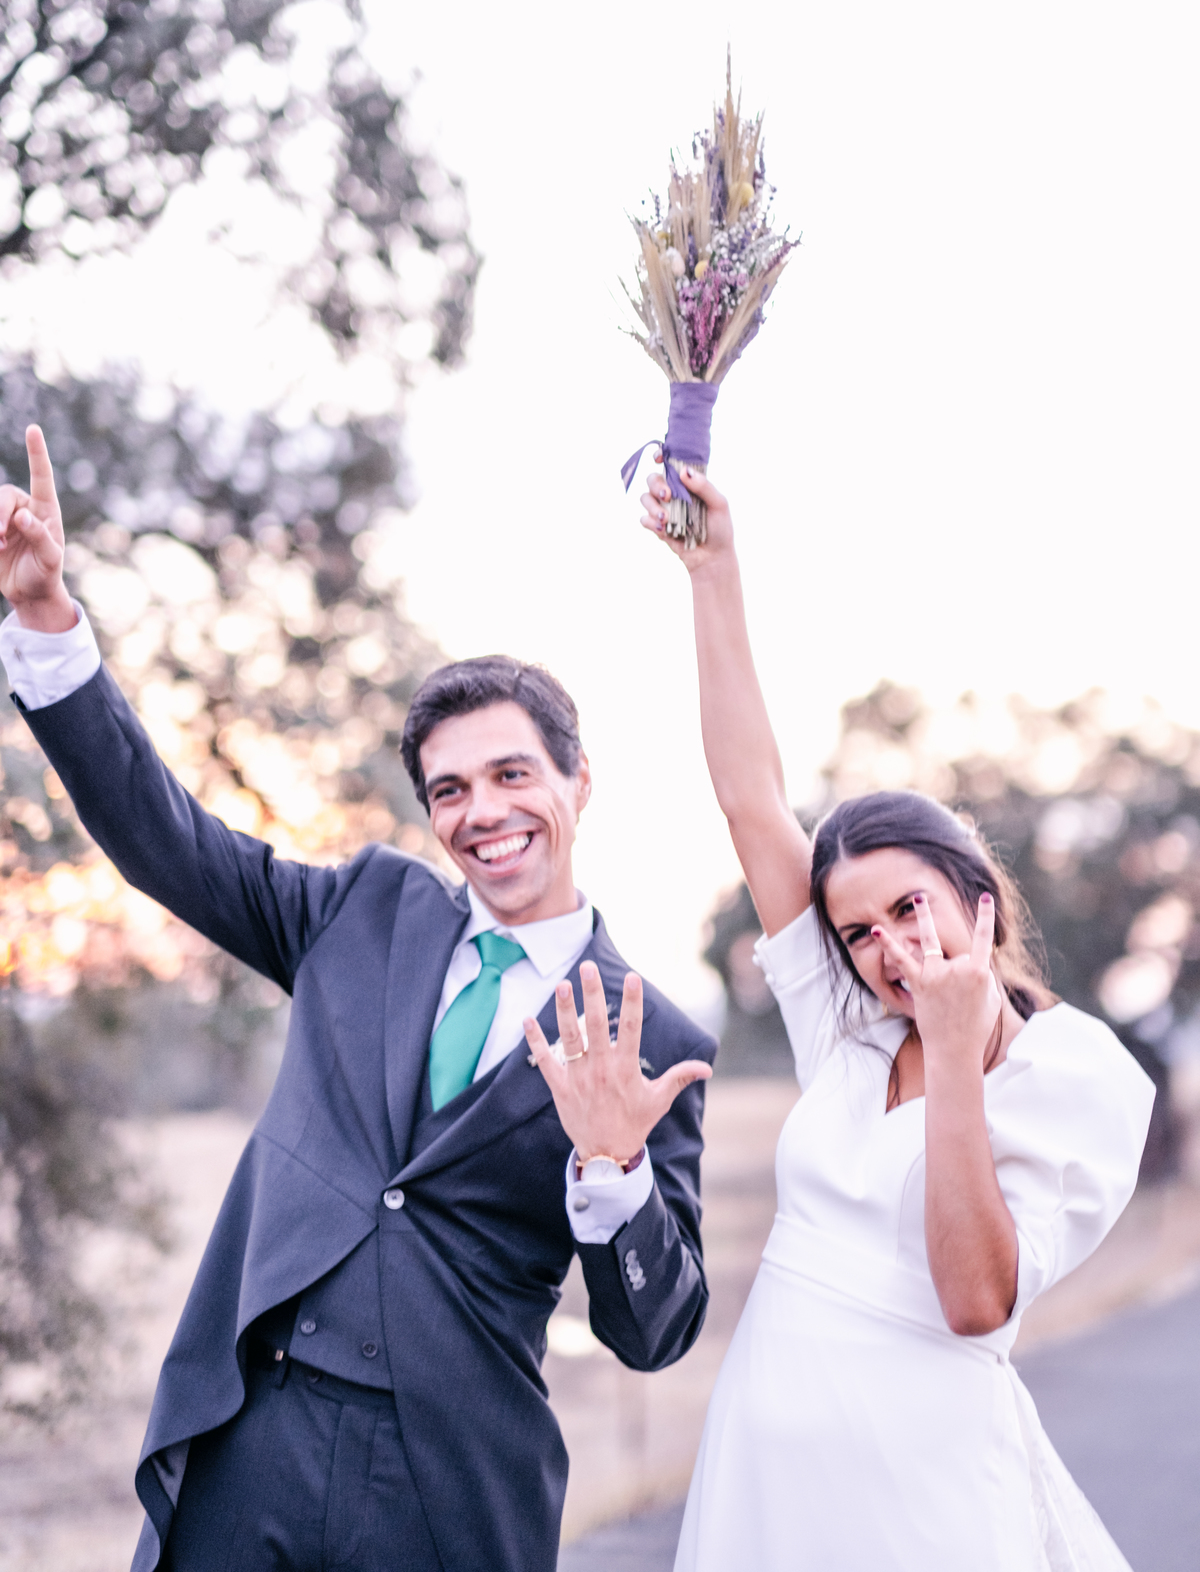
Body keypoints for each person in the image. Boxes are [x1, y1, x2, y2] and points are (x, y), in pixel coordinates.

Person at [0, 425, 717, 1572]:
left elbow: (656, 1331)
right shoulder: (361, 913)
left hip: (447, 1484)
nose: (482, 811)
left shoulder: (656, 1037)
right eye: (450, 789)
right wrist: (48, 626)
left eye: (511, 775)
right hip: (253, 1432)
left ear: (581, 781)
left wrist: (615, 1178)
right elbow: (167, 842)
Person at [641, 462, 1155, 1572]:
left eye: (909, 908)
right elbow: (750, 796)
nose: (886, 949)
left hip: (925, 1501)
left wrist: (961, 1054)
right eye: (857, 931)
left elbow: (976, 1298)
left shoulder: (1077, 1076)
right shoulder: (849, 1032)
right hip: (765, 1487)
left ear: (979, 901)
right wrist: (712, 570)